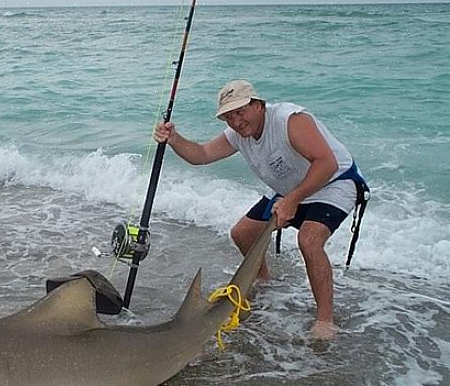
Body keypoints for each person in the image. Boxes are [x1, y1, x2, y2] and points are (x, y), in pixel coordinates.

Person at [154, 79, 365, 340]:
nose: (236, 121)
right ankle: (265, 281)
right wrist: (174, 139)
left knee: (309, 240)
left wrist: (293, 200)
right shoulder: (237, 135)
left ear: (259, 105)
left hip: (334, 182)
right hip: (292, 188)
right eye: (229, 117)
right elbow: (203, 154)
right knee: (242, 233)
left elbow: (327, 163)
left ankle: (325, 320)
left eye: (240, 112)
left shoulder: (290, 120)